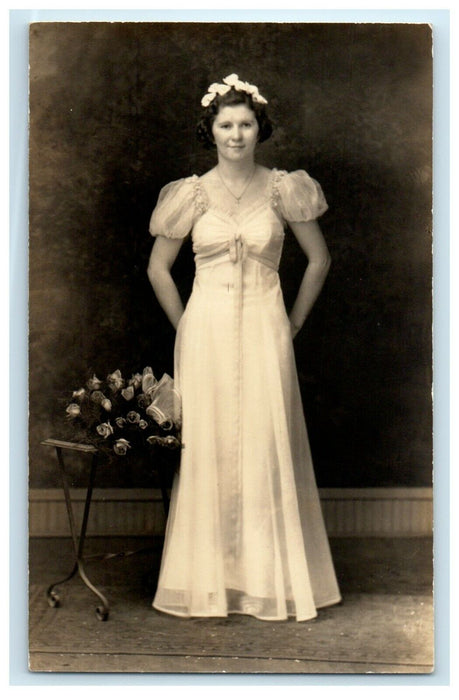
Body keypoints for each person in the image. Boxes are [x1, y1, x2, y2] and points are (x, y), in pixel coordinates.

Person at [147, 74, 341, 621]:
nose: (236, 135)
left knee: (262, 441)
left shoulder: (284, 188)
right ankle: (208, 581)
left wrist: (292, 323)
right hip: (205, 332)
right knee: (210, 446)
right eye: (226, 125)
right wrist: (187, 325)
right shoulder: (191, 193)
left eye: (246, 125)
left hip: (265, 327)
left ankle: (264, 581)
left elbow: (319, 261)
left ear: (261, 130)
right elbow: (159, 269)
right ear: (210, 131)